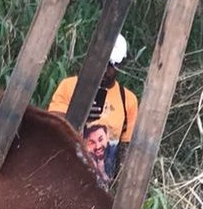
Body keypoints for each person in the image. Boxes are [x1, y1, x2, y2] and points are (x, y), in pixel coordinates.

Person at [47, 34, 139, 180]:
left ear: (121, 64)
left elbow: (125, 148)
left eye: (111, 64)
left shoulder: (128, 100)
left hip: (102, 184)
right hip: (64, 177)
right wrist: (79, 115)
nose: (104, 69)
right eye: (101, 61)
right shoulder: (70, 86)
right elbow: (51, 126)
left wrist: (120, 182)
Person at [83, 122, 110, 187]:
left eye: (101, 139)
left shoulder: (114, 153)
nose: (98, 146)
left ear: (107, 137)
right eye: (92, 142)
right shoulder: (85, 162)